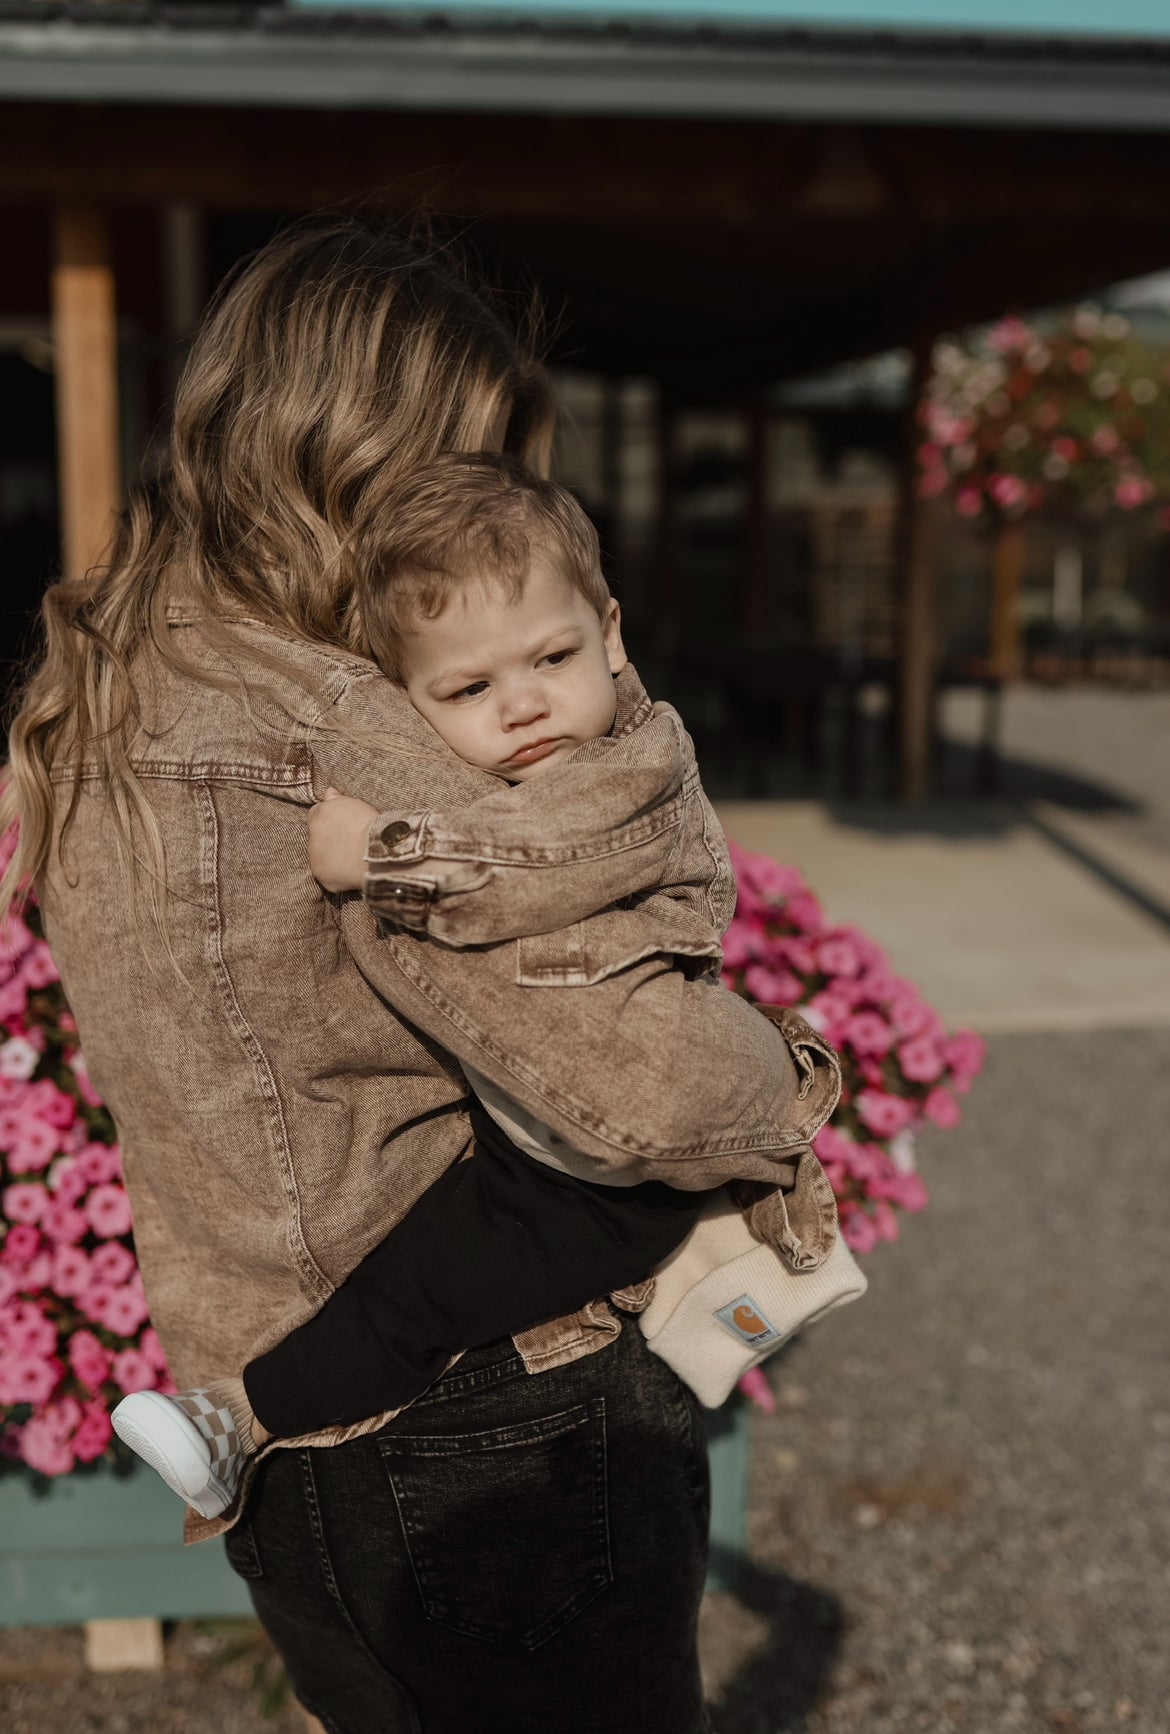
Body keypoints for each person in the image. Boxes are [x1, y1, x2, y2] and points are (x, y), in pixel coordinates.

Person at [1, 212, 837, 1734]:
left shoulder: (97, 685)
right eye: (470, 470)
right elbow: (647, 1083)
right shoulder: (356, 724)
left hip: (284, 1421)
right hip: (496, 1411)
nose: (490, 524)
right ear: (355, 453)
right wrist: (781, 1076)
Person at [108, 451, 850, 1523]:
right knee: (412, 1282)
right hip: (532, 1143)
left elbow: (537, 865)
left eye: (554, 655)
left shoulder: (636, 769)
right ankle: (232, 1421)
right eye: (469, 688)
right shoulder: (492, 766)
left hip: (610, 1177)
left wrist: (383, 855)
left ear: (614, 634)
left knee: (416, 1300)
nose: (526, 706)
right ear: (410, 705)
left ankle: (240, 1418)